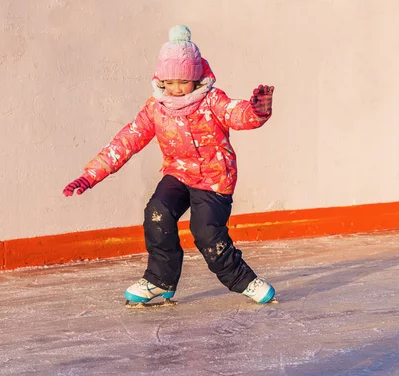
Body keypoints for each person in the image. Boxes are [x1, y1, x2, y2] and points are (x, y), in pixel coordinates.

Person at [63, 25, 276, 305]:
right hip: (178, 173)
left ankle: (244, 281)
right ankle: (159, 280)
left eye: (183, 81)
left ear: (197, 76)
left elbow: (237, 114)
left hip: (214, 178)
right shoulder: (156, 107)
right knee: (157, 214)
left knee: (207, 234)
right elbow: (127, 140)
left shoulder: (212, 100)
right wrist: (90, 175)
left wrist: (257, 110)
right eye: (170, 82)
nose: (176, 89)